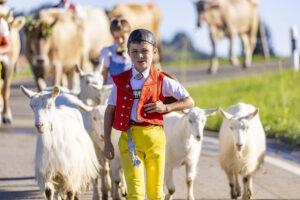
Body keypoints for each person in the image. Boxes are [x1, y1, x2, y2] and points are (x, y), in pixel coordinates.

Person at [104, 29, 194, 200]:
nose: (140, 56)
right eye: (135, 51)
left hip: (155, 139)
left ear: (154, 52)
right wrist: (108, 142)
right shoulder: (121, 81)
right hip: (130, 140)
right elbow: (110, 111)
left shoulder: (162, 80)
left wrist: (166, 108)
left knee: (155, 193)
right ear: (128, 53)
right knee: (135, 193)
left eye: (144, 51)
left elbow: (189, 101)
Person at [99, 18, 132, 85]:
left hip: (130, 88)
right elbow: (104, 74)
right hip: (113, 87)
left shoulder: (135, 51)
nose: (120, 40)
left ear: (128, 34)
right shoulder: (108, 52)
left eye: (123, 37)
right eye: (116, 38)